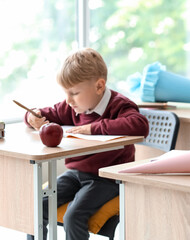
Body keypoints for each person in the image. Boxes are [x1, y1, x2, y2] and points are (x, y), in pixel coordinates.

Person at [25, 48, 149, 240]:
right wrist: (31, 116)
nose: (68, 100)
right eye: (66, 93)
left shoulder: (120, 105)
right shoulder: (73, 106)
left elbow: (139, 125)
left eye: (74, 93)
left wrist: (93, 128)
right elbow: (43, 113)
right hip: (76, 174)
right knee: (37, 204)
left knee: (73, 216)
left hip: (107, 178)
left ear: (99, 87)